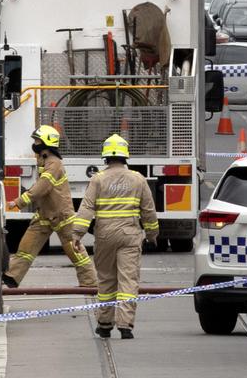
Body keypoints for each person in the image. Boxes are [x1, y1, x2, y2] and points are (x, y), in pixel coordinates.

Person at [71, 134, 158, 340]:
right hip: (130, 235)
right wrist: (153, 234)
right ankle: (125, 326)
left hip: (105, 235)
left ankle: (104, 324)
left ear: (105, 157)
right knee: (128, 281)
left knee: (106, 280)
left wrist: (77, 234)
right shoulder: (138, 179)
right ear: (125, 155)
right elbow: (148, 210)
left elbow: (87, 208)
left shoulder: (98, 179)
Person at [3, 125, 96, 289]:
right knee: (26, 248)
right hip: (44, 215)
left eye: (37, 140)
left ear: (46, 142)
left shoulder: (54, 163)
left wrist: (19, 201)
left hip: (62, 215)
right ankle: (12, 277)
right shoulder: (44, 160)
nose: (35, 143)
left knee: (74, 250)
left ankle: (89, 282)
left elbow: (43, 186)